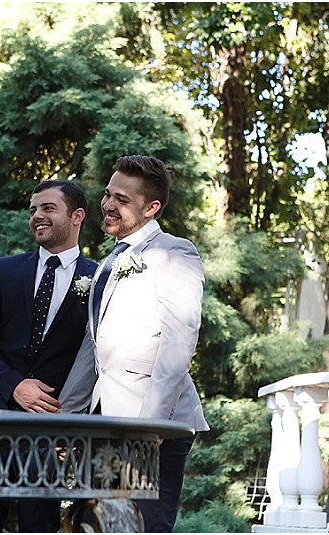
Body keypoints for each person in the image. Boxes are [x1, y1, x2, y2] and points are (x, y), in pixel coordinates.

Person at [59, 155, 209, 533]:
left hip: (151, 425)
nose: (108, 205)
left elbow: (178, 344)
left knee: (143, 528)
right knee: (95, 526)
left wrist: (150, 428)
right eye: (108, 194)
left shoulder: (174, 252)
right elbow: (93, 349)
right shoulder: (110, 261)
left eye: (122, 200)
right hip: (103, 421)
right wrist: (65, 419)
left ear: (151, 208)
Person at [0, 180, 98, 533]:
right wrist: (15, 385)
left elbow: (99, 355)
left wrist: (77, 421)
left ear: (77, 216)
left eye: (48, 208)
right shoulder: (5, 270)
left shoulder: (98, 278)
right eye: (33, 209)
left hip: (52, 425)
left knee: (39, 523)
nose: (37, 215)